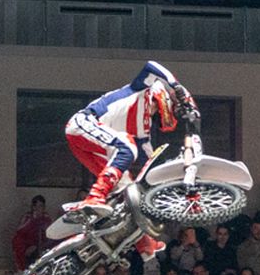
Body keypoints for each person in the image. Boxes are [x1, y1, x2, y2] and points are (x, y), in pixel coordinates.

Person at [57, 61, 200, 256]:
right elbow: (151, 65)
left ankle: (144, 244)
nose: (154, 117)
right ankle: (95, 197)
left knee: (129, 189)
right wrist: (176, 86)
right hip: (83, 123)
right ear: (160, 101)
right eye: (157, 113)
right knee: (127, 146)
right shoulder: (141, 89)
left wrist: (176, 177)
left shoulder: (143, 132)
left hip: (90, 146)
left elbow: (151, 162)